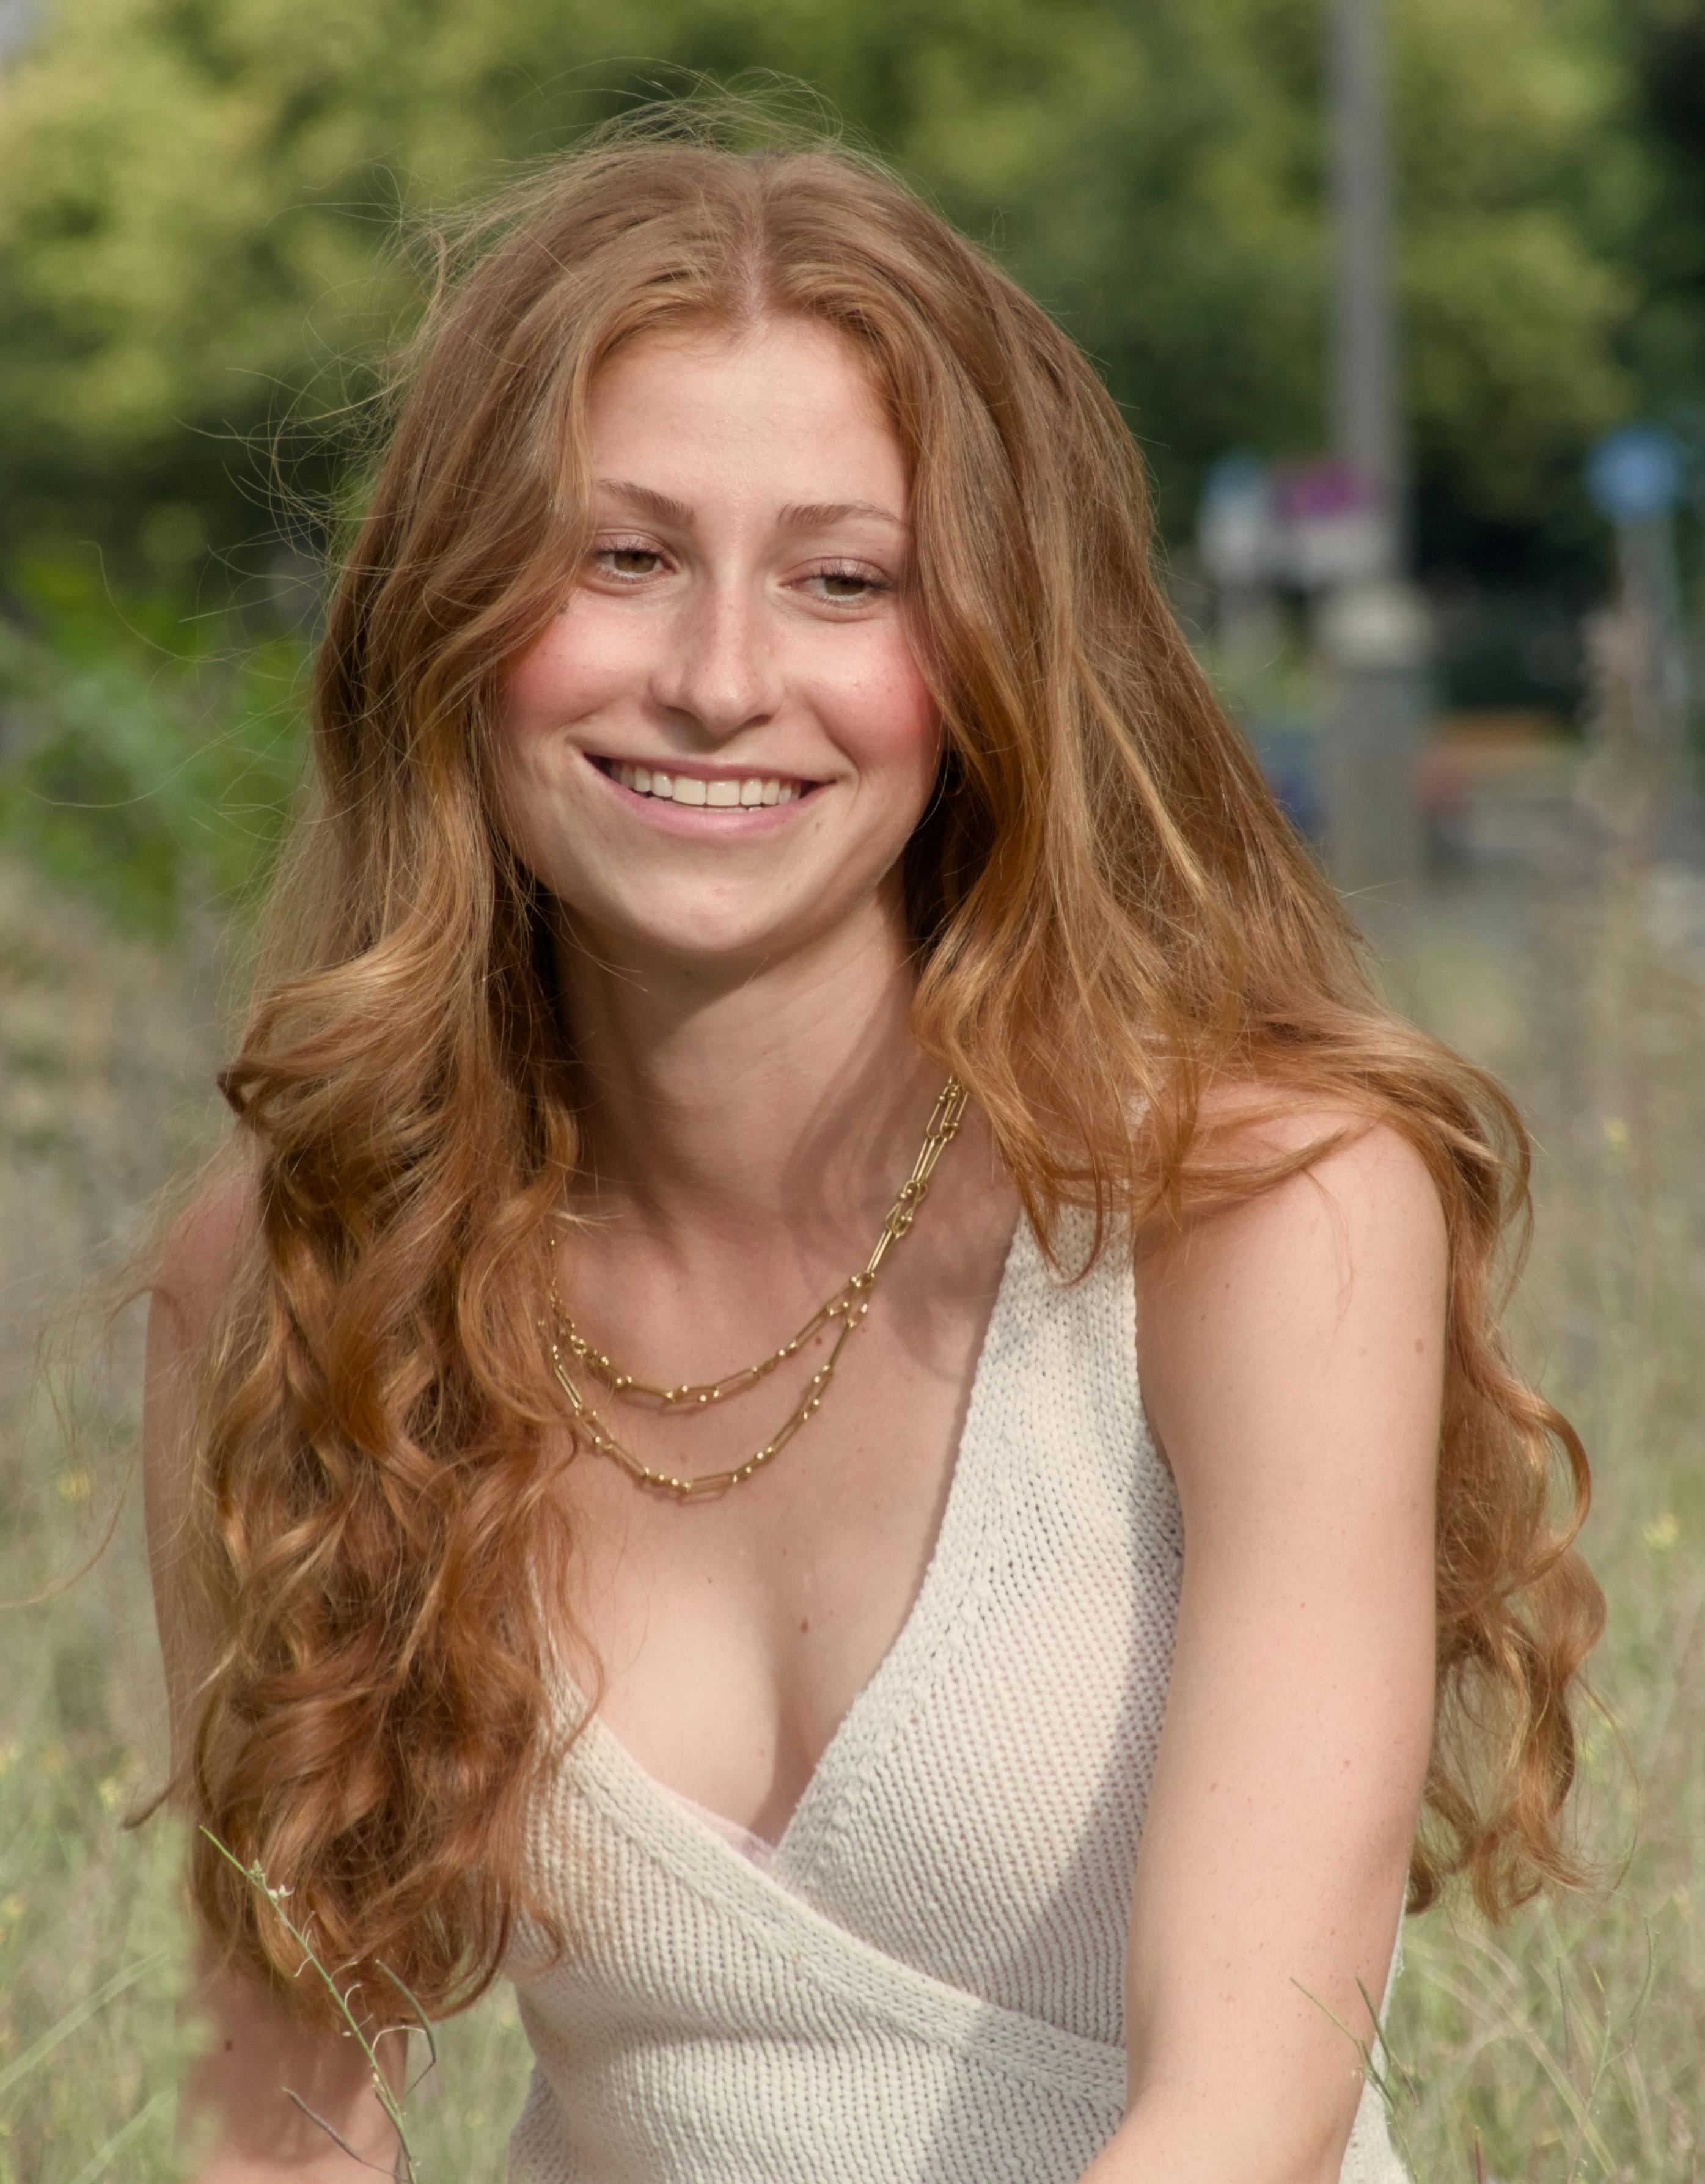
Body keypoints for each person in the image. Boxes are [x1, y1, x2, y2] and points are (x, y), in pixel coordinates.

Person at [141, 108, 1603, 2184]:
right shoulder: (285, 1273)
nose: (722, 680)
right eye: (619, 558)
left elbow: (1242, 2117)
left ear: (994, 657)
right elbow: (279, 2117)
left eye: (846, 581)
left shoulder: (1257, 1219)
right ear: (454, 619)